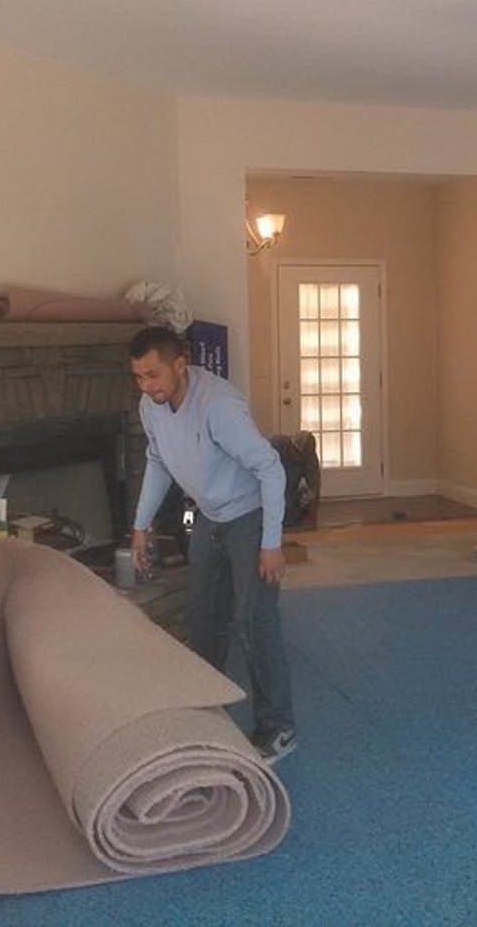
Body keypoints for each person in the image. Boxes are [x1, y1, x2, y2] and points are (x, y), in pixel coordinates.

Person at [127, 326, 297, 763]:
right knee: (202, 617)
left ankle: (279, 728)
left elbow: (271, 469)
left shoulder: (218, 405)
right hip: (210, 517)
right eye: (139, 377)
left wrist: (271, 542)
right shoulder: (152, 405)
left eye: (153, 374)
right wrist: (141, 524)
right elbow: (158, 460)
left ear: (179, 363)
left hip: (250, 518)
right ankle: (204, 709)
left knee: (254, 620)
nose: (147, 386)